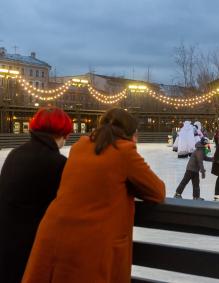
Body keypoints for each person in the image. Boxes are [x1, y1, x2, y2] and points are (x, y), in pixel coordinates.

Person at [22, 108, 165, 283]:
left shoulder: (79, 146)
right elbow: (157, 191)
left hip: (54, 234)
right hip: (91, 245)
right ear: (130, 133)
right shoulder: (124, 151)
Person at [0, 107, 73, 283]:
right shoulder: (58, 163)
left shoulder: (15, 154)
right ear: (62, 133)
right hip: (33, 252)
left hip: (5, 245)